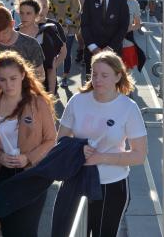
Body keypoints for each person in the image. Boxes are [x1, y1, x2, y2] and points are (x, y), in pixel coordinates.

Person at [58, 50, 147, 237]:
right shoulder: (77, 101)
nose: (98, 80)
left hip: (111, 186)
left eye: (105, 75)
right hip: (76, 180)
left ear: (118, 76)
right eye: (94, 74)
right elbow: (61, 140)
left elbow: (139, 155)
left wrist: (101, 158)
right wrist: (78, 149)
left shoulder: (128, 108)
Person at [0, 50, 56, 237]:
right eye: (2, 80)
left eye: (13, 78)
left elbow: (51, 139)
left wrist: (28, 158)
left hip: (32, 175)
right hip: (1, 176)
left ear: (22, 75)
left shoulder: (38, 103)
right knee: (9, 230)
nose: (8, 84)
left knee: (26, 231)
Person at [81, 0, 130, 76]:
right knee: (93, 84)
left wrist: (110, 47)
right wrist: (93, 47)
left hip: (113, 50)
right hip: (93, 50)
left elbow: (123, 26)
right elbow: (84, 24)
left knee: (112, 83)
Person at [0, 6, 45, 83]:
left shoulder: (30, 44)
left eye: (4, 32)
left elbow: (40, 75)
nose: (0, 37)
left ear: (12, 24)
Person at [17, 0, 64, 93]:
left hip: (42, 88)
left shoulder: (45, 34)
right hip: (18, 88)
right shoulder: (14, 34)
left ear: (36, 14)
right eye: (22, 13)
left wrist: (51, 93)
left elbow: (51, 67)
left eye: (28, 13)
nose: (24, 17)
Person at [48, 0, 81, 87]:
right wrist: (56, 24)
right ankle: (54, 78)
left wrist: (66, 24)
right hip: (55, 28)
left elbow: (75, 9)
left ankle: (65, 77)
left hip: (70, 28)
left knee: (66, 53)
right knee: (54, 54)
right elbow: (49, 9)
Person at [114, 0, 144, 71]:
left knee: (126, 71)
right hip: (112, 41)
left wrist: (126, 29)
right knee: (113, 69)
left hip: (127, 41)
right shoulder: (109, 2)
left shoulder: (133, 4)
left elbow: (138, 24)